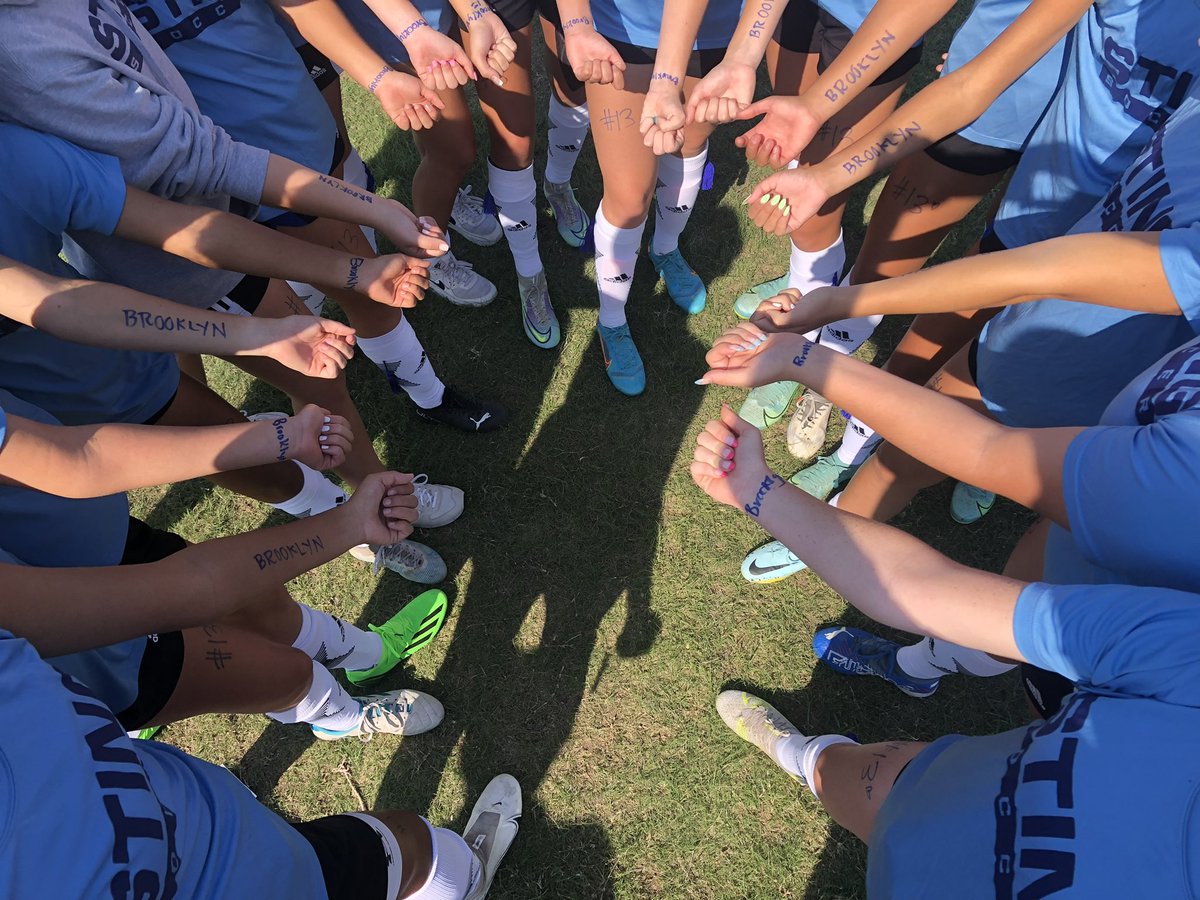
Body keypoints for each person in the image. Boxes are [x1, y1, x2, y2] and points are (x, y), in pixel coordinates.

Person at [690, 404, 1200, 896]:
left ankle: (905, 681)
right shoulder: (1186, 663)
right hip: (1081, 718)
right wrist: (758, 491)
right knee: (1018, 677)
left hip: (928, 858)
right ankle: (835, 724)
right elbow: (940, 591)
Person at [730, 83, 1200, 584]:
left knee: (997, 487)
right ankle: (832, 526)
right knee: (906, 455)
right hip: (1028, 335)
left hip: (1092, 384)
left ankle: (862, 563)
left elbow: (1049, 272)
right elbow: (1043, 267)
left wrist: (843, 302)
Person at [0, 385, 451, 742]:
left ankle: (367, 655)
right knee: (283, 674)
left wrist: (279, 437)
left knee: (259, 600)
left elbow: (81, 457)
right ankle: (343, 718)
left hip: (99, 541)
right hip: (80, 661)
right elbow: (195, 586)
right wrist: (347, 525)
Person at [551, 0, 738, 395]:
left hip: (716, 23)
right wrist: (577, 21)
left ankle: (665, 248)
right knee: (629, 196)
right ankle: (612, 320)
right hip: (628, 21)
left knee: (688, 144)